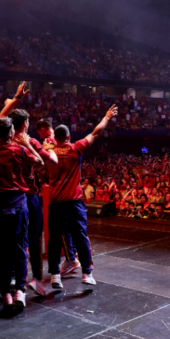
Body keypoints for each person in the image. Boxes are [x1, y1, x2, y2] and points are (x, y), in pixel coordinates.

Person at [47, 104, 118, 290]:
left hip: (55, 201)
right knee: (80, 236)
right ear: (69, 137)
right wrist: (107, 117)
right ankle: (86, 273)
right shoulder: (76, 147)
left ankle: (55, 275)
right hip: (73, 201)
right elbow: (96, 132)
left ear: (56, 137)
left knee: (54, 238)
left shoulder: (48, 151)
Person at [0, 117, 44, 308]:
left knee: (0, 251)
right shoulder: (20, 150)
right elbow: (40, 163)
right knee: (20, 248)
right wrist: (27, 144)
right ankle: (20, 291)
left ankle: (5, 294)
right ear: (10, 133)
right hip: (17, 203)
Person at [9, 109, 58, 297]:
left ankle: (12, 280)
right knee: (34, 237)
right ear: (25, 125)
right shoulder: (30, 142)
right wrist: (29, 148)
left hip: (6, 198)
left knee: (12, 239)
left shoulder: (0, 142)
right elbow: (52, 162)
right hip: (28, 196)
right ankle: (36, 278)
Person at [35, 118, 79, 276]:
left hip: (58, 187)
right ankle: (76, 257)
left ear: (43, 129)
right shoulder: (65, 142)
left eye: (39, 132)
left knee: (62, 228)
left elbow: (46, 162)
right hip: (70, 186)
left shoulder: (48, 142)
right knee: (74, 227)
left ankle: (71, 258)